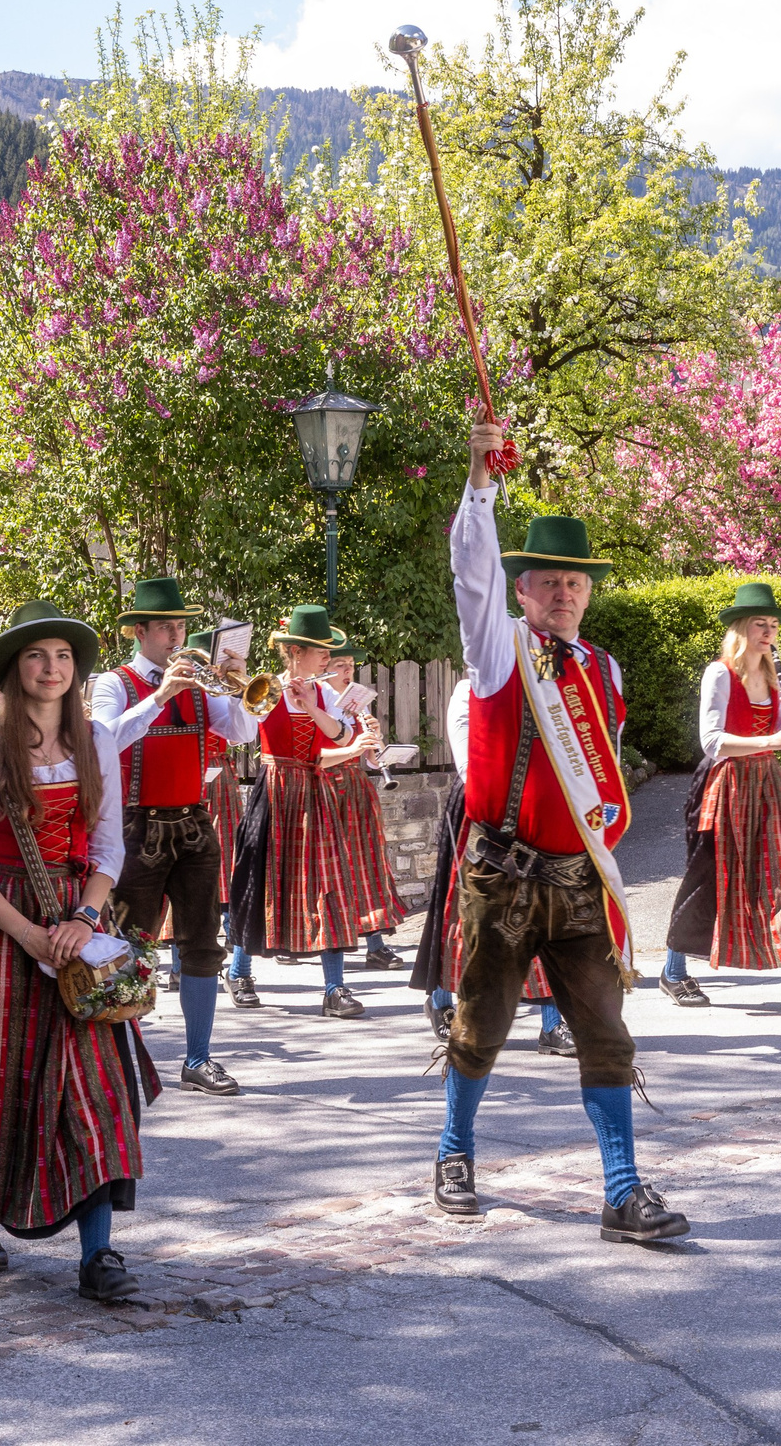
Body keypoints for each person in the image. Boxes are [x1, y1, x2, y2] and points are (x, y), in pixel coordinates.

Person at [434, 422, 686, 1244]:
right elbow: (471, 570)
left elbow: (602, 784)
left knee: (606, 1031)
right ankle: (454, 1150)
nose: (563, 594)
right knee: (480, 1023)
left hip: (577, 875)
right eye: (547, 582)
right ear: (523, 590)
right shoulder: (499, 649)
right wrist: (481, 480)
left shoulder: (605, 669)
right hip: (503, 875)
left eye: (573, 583)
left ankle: (621, 1188)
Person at [0, 600, 156, 1300]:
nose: (52, 668)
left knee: (96, 1087)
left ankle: (99, 1253)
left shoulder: (95, 741)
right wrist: (29, 932)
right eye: (37, 656)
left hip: (79, 925)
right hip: (7, 930)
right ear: (12, 670)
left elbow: (108, 847)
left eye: (63, 656)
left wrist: (87, 918)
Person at [88, 578, 259, 1095]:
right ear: (139, 632)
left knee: (203, 944)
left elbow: (244, 733)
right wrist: (162, 695)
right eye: (165, 626)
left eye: (181, 626)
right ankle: (123, 1054)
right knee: (129, 945)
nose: (176, 635)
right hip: (134, 826)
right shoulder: (112, 684)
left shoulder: (204, 685)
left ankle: (198, 1058)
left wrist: (237, 683)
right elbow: (102, 742)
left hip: (193, 824)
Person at [663, 584, 781, 1016]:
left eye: (774, 625)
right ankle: (672, 972)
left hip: (768, 785)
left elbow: (780, 740)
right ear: (741, 628)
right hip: (725, 788)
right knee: (711, 883)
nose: (769, 632)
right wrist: (774, 736)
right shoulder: (720, 673)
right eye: (761, 624)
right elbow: (711, 742)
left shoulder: (774, 676)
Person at [227, 607, 392, 1019]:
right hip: (277, 791)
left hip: (315, 793)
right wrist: (283, 695)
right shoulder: (267, 688)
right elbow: (247, 729)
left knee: (328, 885)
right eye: (321, 651)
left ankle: (335, 988)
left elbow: (337, 738)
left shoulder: (326, 694)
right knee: (258, 884)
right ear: (296, 651)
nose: (327, 658)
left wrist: (312, 705)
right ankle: (240, 971)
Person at [408, 677, 569, 1053]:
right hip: (483, 810)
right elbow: (470, 764)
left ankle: (551, 1023)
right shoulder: (468, 692)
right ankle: (441, 1000)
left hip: (538, 809)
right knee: (467, 917)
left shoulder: (547, 691)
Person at [323, 636, 409, 973]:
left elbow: (372, 760)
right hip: (325, 787)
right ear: (324, 668)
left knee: (368, 866)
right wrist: (355, 747)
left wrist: (376, 741)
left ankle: (376, 944)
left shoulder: (357, 703)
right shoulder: (317, 702)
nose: (348, 671)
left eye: (351, 666)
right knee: (328, 871)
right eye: (340, 665)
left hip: (356, 790)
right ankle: (306, 941)